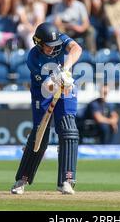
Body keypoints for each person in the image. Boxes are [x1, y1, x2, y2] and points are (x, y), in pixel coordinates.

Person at [11, 22, 82, 195]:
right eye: (49, 47)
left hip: (65, 88)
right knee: (39, 136)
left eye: (55, 46)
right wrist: (57, 81)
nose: (54, 49)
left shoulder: (59, 39)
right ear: (39, 43)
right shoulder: (33, 59)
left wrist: (65, 71)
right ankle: (22, 179)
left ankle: (66, 181)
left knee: (69, 130)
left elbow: (76, 49)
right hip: (43, 91)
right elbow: (48, 87)